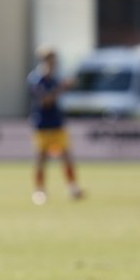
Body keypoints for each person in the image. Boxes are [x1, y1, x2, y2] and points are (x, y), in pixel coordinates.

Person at [28, 47, 83, 205]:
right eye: (51, 60)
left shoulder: (55, 78)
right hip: (42, 124)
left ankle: (73, 188)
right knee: (41, 159)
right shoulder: (36, 79)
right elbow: (45, 101)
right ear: (45, 60)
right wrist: (62, 88)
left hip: (57, 123)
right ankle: (39, 191)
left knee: (67, 157)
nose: (54, 63)